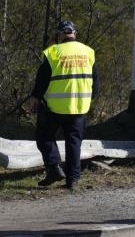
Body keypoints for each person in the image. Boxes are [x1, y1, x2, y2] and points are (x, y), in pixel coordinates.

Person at [31, 20, 98, 191]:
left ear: (60, 35)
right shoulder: (88, 52)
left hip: (55, 107)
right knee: (74, 143)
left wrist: (36, 98)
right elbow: (96, 82)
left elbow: (42, 79)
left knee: (44, 137)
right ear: (74, 33)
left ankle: (54, 168)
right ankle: (72, 180)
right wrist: (90, 99)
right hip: (80, 107)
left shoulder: (53, 52)